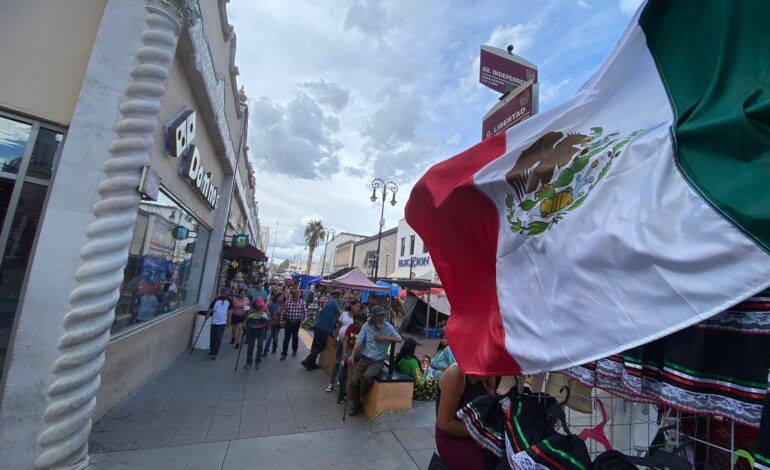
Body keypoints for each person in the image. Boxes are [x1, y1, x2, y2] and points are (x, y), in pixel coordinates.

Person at [435, 363, 497, 469]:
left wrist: (492, 392)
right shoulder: (456, 374)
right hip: (452, 436)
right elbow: (444, 424)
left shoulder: (490, 378)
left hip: (477, 434)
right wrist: (482, 433)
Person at [347, 306, 401, 416]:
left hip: (377, 361)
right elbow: (359, 341)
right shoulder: (367, 326)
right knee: (353, 382)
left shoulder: (388, 327)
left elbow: (399, 339)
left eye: (383, 315)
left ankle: (360, 397)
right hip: (364, 358)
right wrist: (352, 356)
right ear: (374, 317)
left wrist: (383, 338)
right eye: (379, 316)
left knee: (366, 377)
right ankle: (356, 405)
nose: (382, 317)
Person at [326, 300, 360, 392]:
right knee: (337, 362)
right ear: (352, 305)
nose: (358, 308)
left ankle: (342, 384)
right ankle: (331, 383)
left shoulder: (358, 318)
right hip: (341, 342)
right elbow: (338, 326)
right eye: (356, 306)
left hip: (350, 345)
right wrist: (335, 338)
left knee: (345, 364)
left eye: (359, 307)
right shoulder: (344, 314)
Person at [302, 291, 340, 371]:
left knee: (315, 345)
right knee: (320, 346)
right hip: (324, 328)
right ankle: (307, 360)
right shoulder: (334, 302)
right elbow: (340, 313)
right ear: (337, 296)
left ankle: (311, 363)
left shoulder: (329, 301)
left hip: (318, 326)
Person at [336, 312, 364, 404]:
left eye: (358, 324)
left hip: (361, 352)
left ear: (363, 322)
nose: (356, 325)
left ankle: (354, 394)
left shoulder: (365, 330)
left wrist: (354, 355)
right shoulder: (351, 327)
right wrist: (344, 354)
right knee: (341, 367)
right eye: (355, 323)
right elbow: (346, 340)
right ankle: (342, 392)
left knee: (357, 371)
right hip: (349, 350)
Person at [280, 288, 306, 360]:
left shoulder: (302, 302)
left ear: (299, 295)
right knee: (286, 338)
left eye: (296, 294)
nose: (295, 295)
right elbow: (283, 312)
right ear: (292, 295)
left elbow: (304, 312)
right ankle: (284, 354)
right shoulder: (288, 302)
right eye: (293, 294)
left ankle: (295, 350)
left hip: (296, 322)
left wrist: (303, 322)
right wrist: (282, 321)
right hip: (288, 322)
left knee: (295, 337)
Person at [243, 297, 269, 370]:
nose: (260, 306)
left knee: (260, 346)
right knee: (251, 346)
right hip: (251, 330)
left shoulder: (265, 310)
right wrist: (244, 325)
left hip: (262, 330)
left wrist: (266, 317)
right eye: (259, 305)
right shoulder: (251, 311)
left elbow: (269, 318)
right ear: (256, 304)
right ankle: (249, 362)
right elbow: (246, 319)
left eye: (261, 305)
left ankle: (258, 362)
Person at [205, 290, 231, 360]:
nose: (223, 294)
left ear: (227, 294)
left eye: (225, 293)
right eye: (222, 293)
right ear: (220, 293)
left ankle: (215, 352)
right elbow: (210, 308)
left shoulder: (229, 302)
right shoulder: (216, 301)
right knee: (213, 336)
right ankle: (212, 350)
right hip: (214, 321)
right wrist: (207, 315)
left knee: (218, 337)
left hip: (222, 322)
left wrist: (228, 322)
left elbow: (229, 312)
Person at [262, 292, 285, 356]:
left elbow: (284, 314)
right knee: (268, 338)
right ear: (277, 297)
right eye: (280, 297)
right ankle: (265, 351)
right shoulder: (271, 303)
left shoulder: (283, 305)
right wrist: (269, 315)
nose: (281, 298)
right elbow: (265, 310)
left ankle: (274, 348)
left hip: (278, 324)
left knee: (275, 337)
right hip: (270, 324)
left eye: (282, 297)